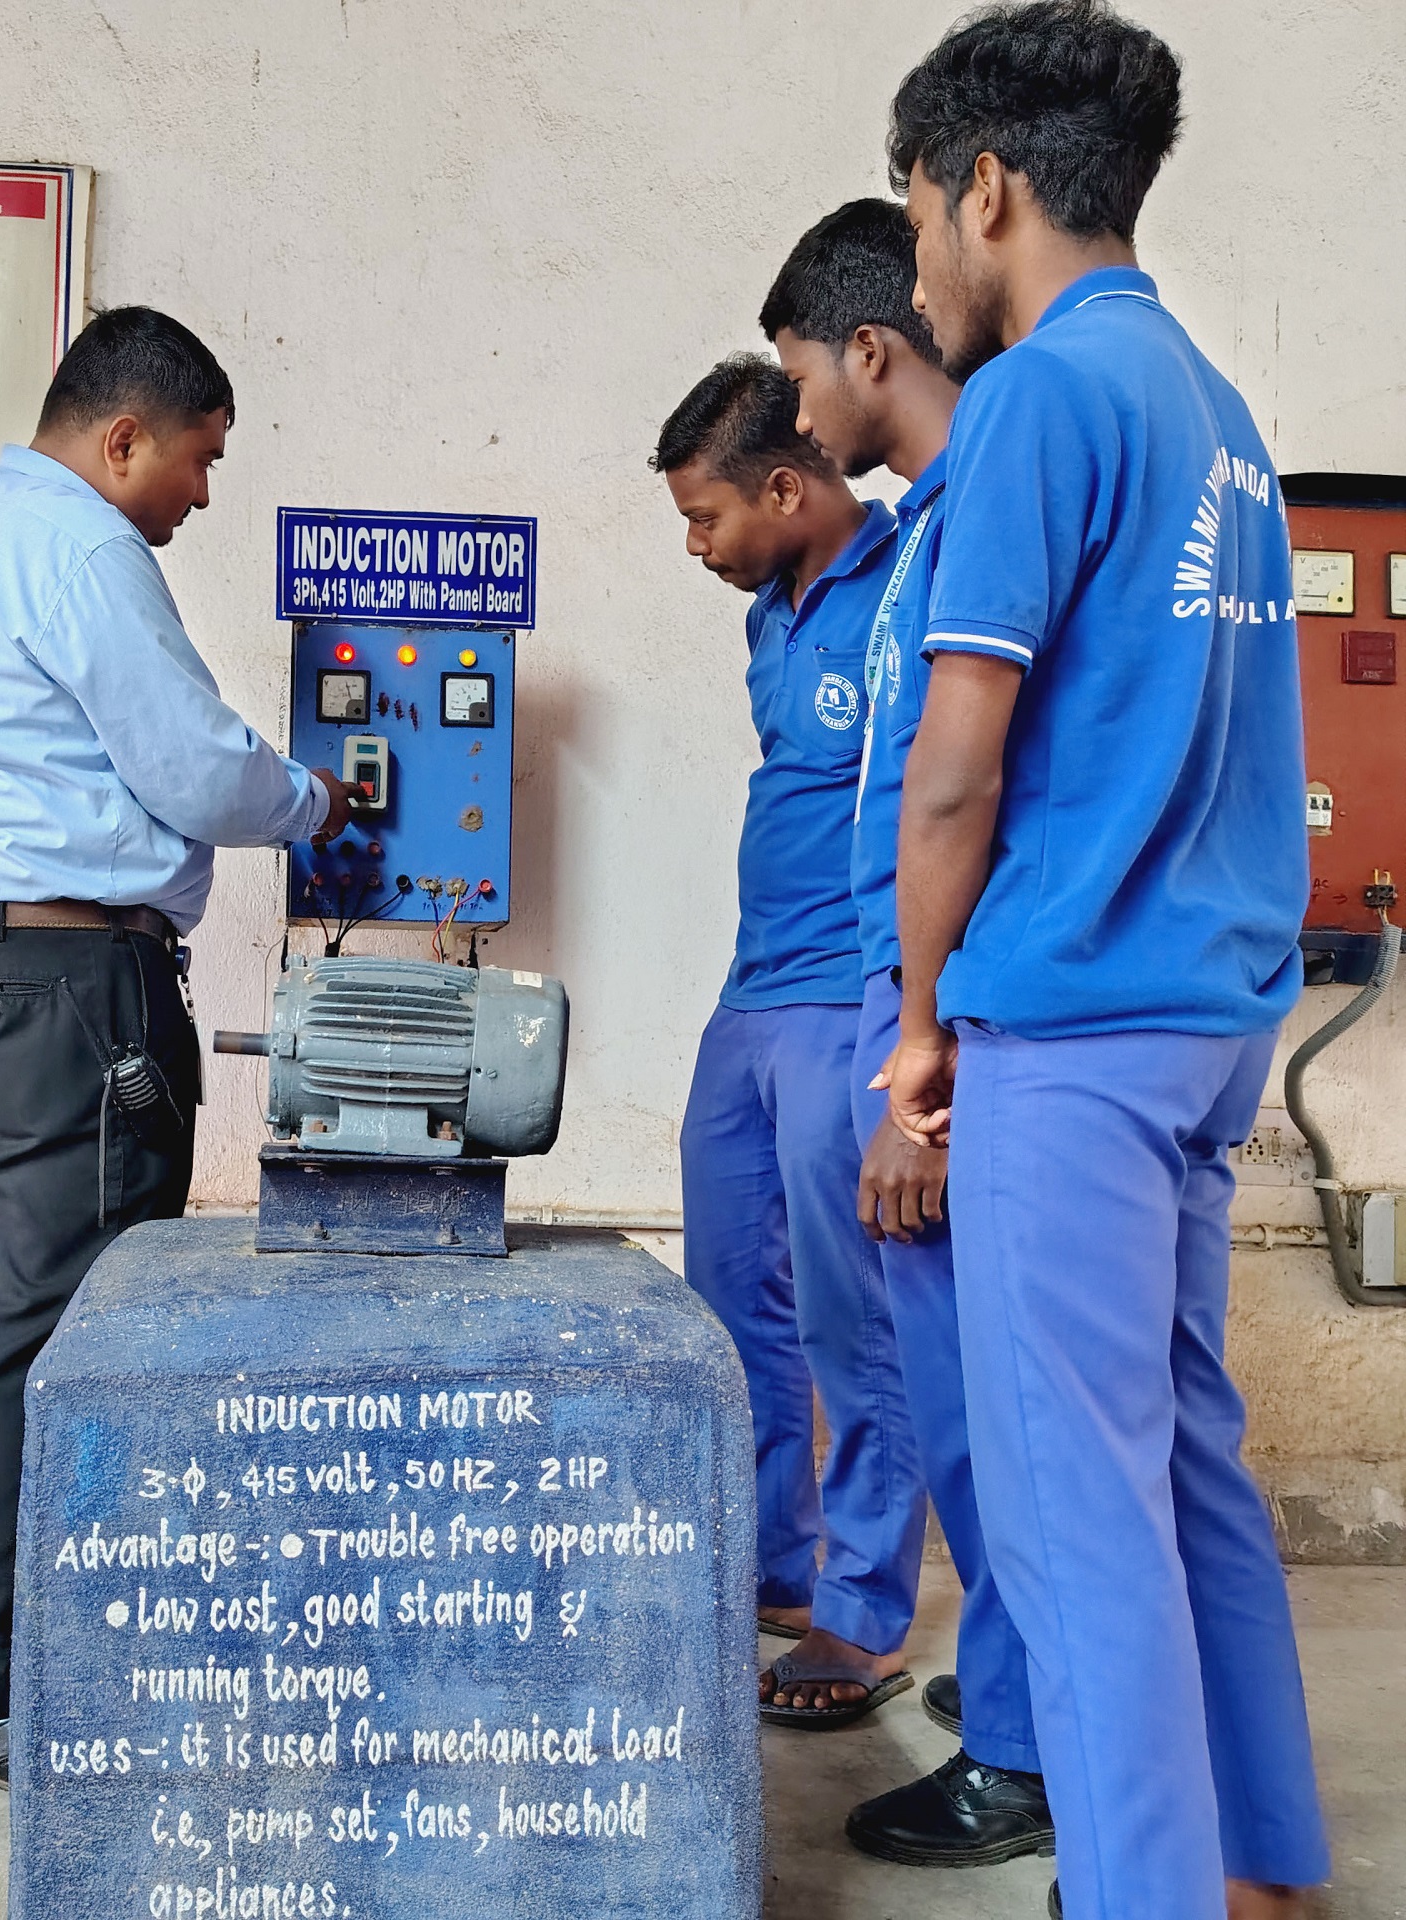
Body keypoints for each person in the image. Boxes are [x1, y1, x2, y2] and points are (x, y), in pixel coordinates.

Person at [882, 5, 1328, 1915]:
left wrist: (918, 1018)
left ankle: (1147, 1890)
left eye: (919, 217)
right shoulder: (1219, 416)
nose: (916, 267)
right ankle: (1260, 1866)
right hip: (1209, 1023)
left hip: (1073, 1027)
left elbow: (956, 766)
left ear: (986, 190)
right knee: (1188, 1462)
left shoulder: (1037, 401)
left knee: (1076, 1509)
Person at [0, 306, 358, 1787]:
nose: (201, 496)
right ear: (124, 436)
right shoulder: (85, 547)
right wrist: (314, 801)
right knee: (57, 1311)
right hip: (67, 975)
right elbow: (193, 766)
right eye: (199, 461)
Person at [764, 196, 1054, 1870]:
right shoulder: (927, 529)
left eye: (804, 375)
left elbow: (966, 796)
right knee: (954, 1402)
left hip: (942, 1015)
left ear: (870, 350)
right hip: (902, 991)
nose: (800, 416)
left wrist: (919, 1057)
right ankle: (1015, 1690)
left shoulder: (971, 520)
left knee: (981, 1414)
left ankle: (1017, 1751)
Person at [653, 356, 927, 1728]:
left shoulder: (908, 584)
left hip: (845, 995)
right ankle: (775, 1559)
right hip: (751, 992)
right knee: (727, 1288)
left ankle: (861, 1610)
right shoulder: (772, 613)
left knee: (850, 1307)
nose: (696, 547)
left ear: (783, 487)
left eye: (705, 519)